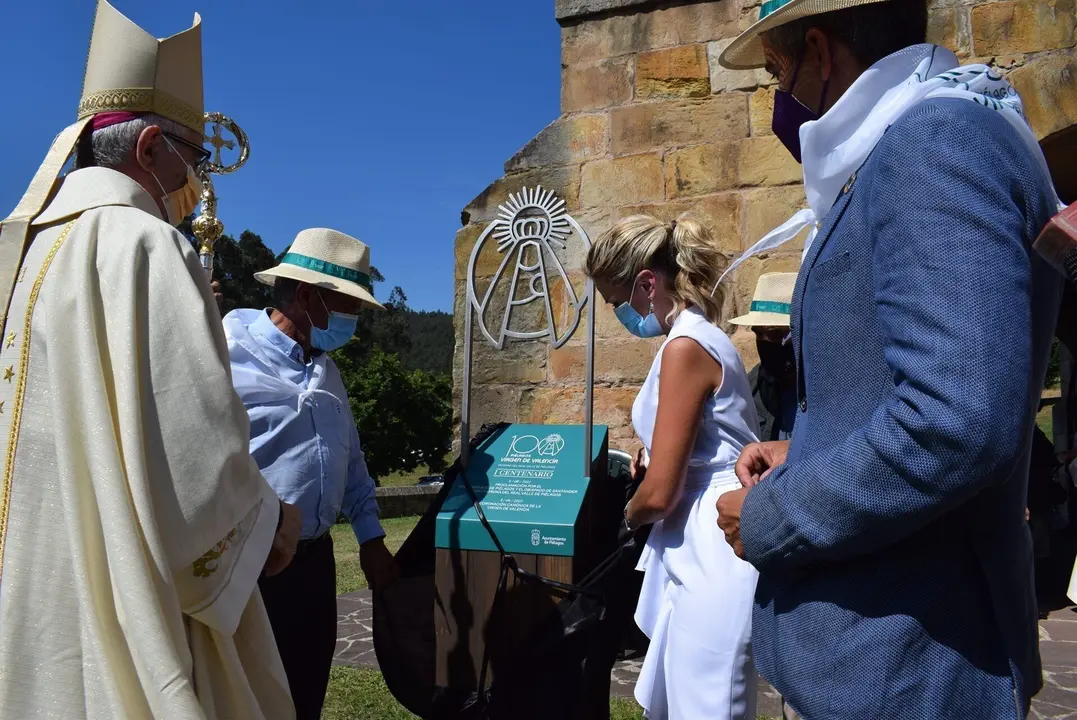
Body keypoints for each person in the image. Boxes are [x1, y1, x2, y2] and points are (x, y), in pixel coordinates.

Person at [712, 1, 1065, 718]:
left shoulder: (934, 141)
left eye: (778, 72)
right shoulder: (933, 132)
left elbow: (955, 419)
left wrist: (772, 515)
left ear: (819, 49)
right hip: (881, 658)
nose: (781, 100)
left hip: (905, 662)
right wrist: (808, 446)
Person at [0, 1, 299, 717]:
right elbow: (193, 454)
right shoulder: (143, 243)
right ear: (149, 152)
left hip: (35, 575)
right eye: (193, 158)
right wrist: (269, 517)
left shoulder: (26, 255)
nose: (197, 182)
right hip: (132, 584)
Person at [586, 214, 759, 719]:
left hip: (710, 542)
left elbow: (661, 492)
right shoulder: (691, 338)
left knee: (706, 704)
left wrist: (624, 516)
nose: (620, 314)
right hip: (695, 533)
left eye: (618, 302)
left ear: (647, 283)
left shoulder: (685, 346)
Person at [223, 228, 398, 720]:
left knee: (304, 695)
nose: (355, 319)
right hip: (250, 564)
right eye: (349, 305)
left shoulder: (326, 370)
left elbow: (352, 459)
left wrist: (370, 539)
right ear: (306, 295)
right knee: (248, 699)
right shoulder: (224, 352)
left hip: (315, 566)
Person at [729, 273, 798, 442]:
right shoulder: (752, 387)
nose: (764, 342)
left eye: (773, 334)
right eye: (758, 334)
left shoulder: (825, 389)